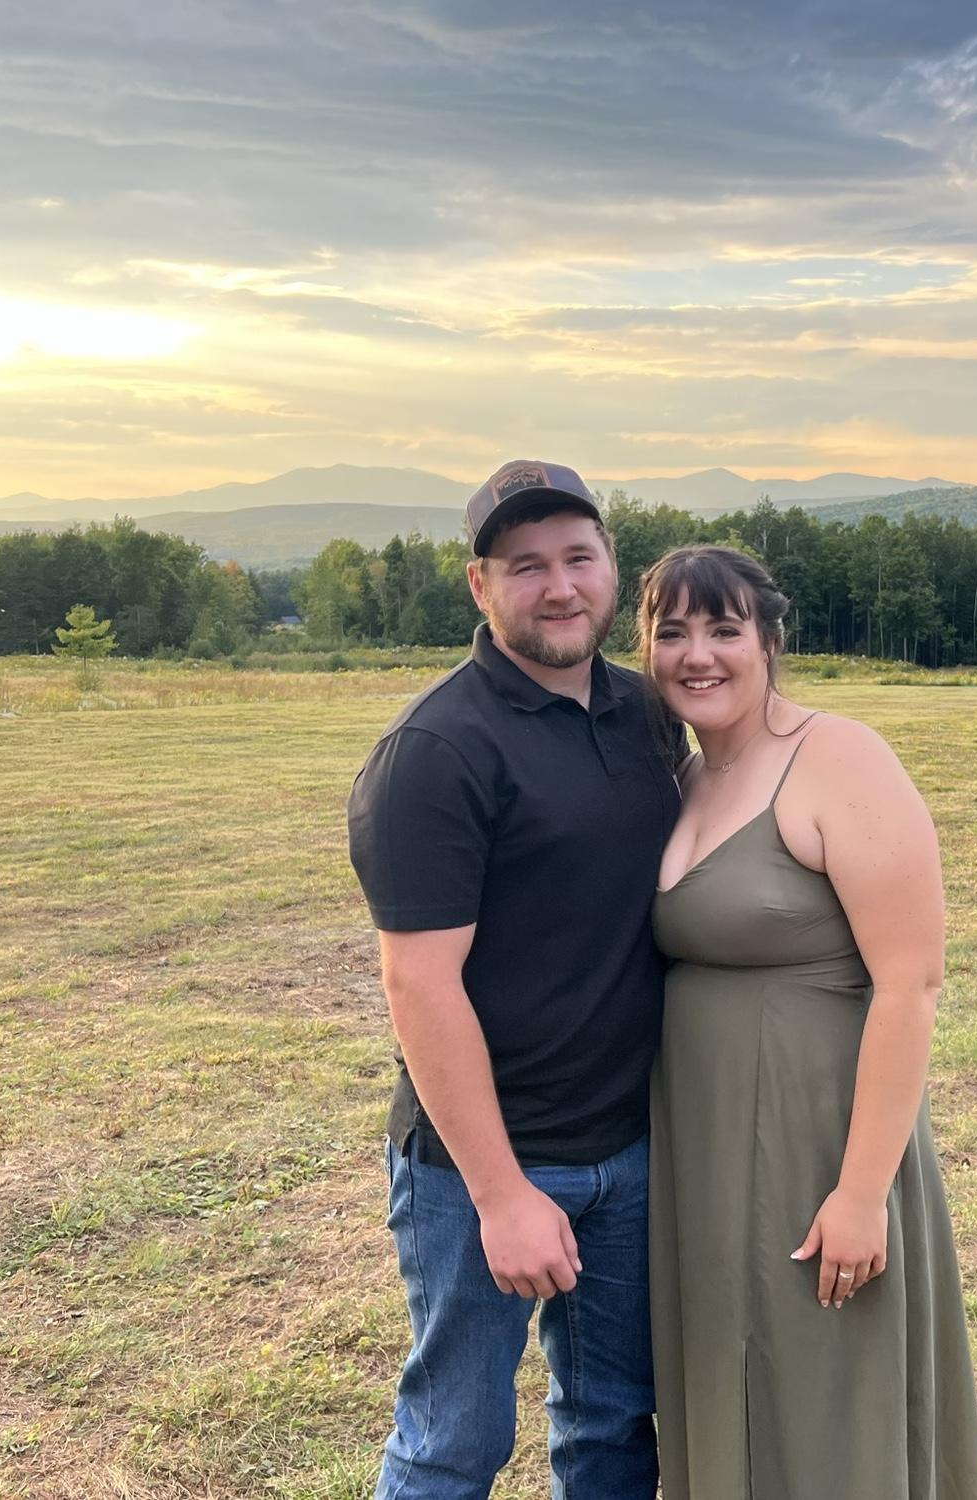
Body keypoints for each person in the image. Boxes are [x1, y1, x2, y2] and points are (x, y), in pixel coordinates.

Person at [346, 460, 680, 1500]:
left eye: (579, 557)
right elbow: (420, 986)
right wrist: (502, 1197)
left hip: (630, 1151)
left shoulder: (645, 713)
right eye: (526, 565)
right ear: (480, 585)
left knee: (616, 1425)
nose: (560, 587)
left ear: (612, 567)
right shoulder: (436, 750)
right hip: (479, 1168)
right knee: (455, 1440)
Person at [639, 545, 977, 1500]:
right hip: (702, 1144)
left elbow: (910, 983)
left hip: (819, 1138)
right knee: (729, 1370)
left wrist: (862, 1192)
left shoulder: (839, 758)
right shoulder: (685, 776)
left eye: (723, 629)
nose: (697, 654)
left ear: (769, 642)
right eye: (672, 632)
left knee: (826, 1385)